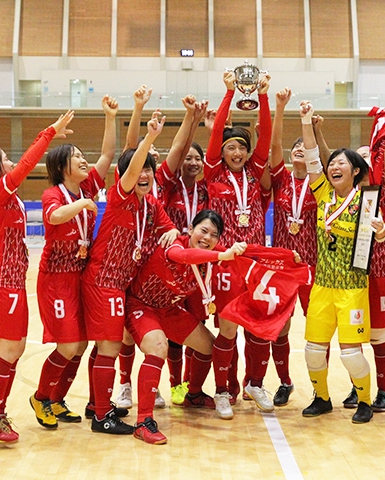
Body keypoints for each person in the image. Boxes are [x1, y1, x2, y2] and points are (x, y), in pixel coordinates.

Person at [0, 111, 75, 443]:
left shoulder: (6, 198)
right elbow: (27, 164)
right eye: (5, 160)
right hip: (1, 284)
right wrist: (49, 133)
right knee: (9, 352)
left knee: (11, 350)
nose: (12, 163)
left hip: (10, 283)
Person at [81, 111, 178, 435]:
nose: (144, 175)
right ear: (125, 177)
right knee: (109, 347)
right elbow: (131, 165)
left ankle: (97, 405)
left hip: (121, 285)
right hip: (103, 280)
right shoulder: (119, 196)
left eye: (150, 170)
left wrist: (173, 233)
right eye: (139, 170)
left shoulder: (152, 205)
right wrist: (149, 138)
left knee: (108, 346)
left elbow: (171, 229)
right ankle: (101, 416)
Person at [29, 96, 118, 429]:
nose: (84, 160)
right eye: (77, 156)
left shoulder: (87, 186)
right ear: (61, 165)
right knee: (67, 344)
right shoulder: (54, 193)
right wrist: (82, 205)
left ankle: (56, 399)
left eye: (83, 156)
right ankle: (40, 397)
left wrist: (110, 116)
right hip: (56, 279)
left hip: (79, 276)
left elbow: (108, 154)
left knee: (79, 344)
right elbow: (53, 218)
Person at [125, 210, 246, 444]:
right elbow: (184, 257)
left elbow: (245, 255)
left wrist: (283, 257)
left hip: (169, 310)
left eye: (214, 235)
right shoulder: (175, 245)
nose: (207, 238)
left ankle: (194, 394)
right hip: (141, 305)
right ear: (190, 230)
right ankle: (143, 422)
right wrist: (222, 256)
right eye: (203, 231)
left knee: (208, 347)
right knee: (158, 347)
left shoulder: (212, 254)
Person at [300, 101, 384, 424]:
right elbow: (311, 157)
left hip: (352, 289)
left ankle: (365, 401)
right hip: (322, 287)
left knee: (351, 354)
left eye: (341, 163)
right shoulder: (322, 194)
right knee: (312, 351)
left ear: (355, 171)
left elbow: (373, 239)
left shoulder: (366, 201)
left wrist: (380, 232)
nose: (333, 166)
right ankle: (322, 399)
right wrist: (306, 120)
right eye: (331, 162)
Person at [203, 69, 273, 416]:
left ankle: (255, 384)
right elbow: (215, 133)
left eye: (241, 147)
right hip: (227, 261)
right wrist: (229, 92)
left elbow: (266, 139)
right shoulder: (213, 173)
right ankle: (221, 390)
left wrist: (263, 95)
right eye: (231, 146)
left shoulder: (255, 171)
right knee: (228, 327)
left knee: (259, 328)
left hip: (257, 262)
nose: (237, 151)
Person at [152, 95, 209, 406]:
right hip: (169, 268)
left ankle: (186, 387)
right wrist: (191, 119)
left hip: (197, 271)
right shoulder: (169, 186)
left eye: (196, 158)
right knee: (165, 330)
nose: (192, 162)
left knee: (192, 329)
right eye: (187, 158)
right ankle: (162, 386)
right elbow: (175, 151)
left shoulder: (208, 189)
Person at [267, 87, 317, 406]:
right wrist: (281, 109)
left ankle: (319, 385)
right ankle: (284, 382)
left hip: (313, 265)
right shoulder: (280, 180)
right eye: (295, 146)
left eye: (303, 146)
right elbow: (274, 145)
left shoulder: (320, 181)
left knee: (316, 331)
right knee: (280, 328)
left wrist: (308, 123)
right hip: (284, 267)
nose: (299, 148)